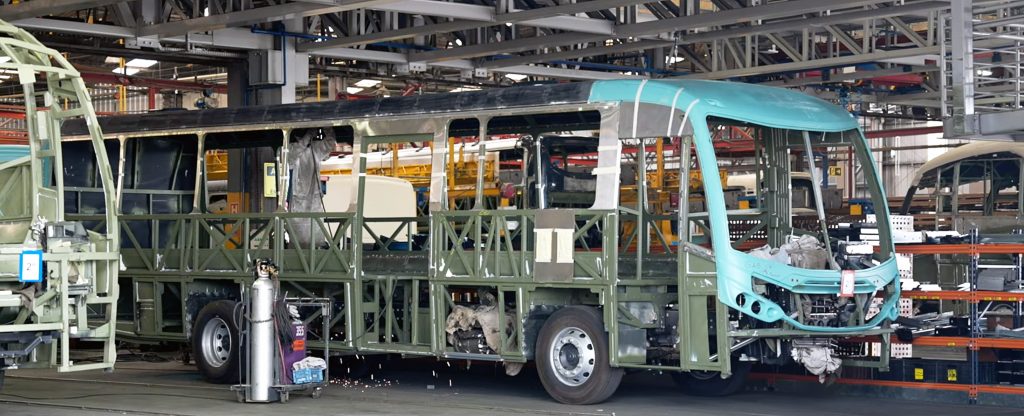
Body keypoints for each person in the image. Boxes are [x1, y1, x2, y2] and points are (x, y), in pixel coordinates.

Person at [287, 127, 336, 248]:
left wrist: (327, 127)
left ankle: (317, 250)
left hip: (314, 198)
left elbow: (330, 144)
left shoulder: (315, 148)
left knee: (316, 235)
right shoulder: (290, 148)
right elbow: (292, 156)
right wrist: (308, 137)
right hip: (298, 200)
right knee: (299, 237)